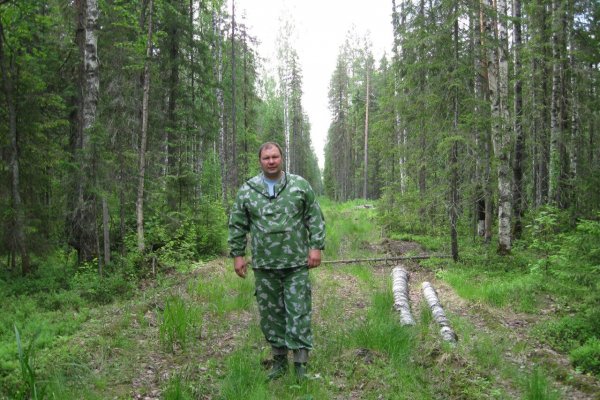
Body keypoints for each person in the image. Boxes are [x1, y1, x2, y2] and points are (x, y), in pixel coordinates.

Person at [228, 141, 326, 381]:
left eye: (275, 157)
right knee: (271, 315)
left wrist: (315, 247)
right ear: (260, 161)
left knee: (299, 311)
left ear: (282, 158)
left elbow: (314, 216)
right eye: (266, 158)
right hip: (264, 266)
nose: (271, 161)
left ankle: (301, 366)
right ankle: (279, 362)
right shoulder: (248, 190)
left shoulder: (299, 185)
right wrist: (238, 255)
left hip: (296, 264)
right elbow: (238, 224)